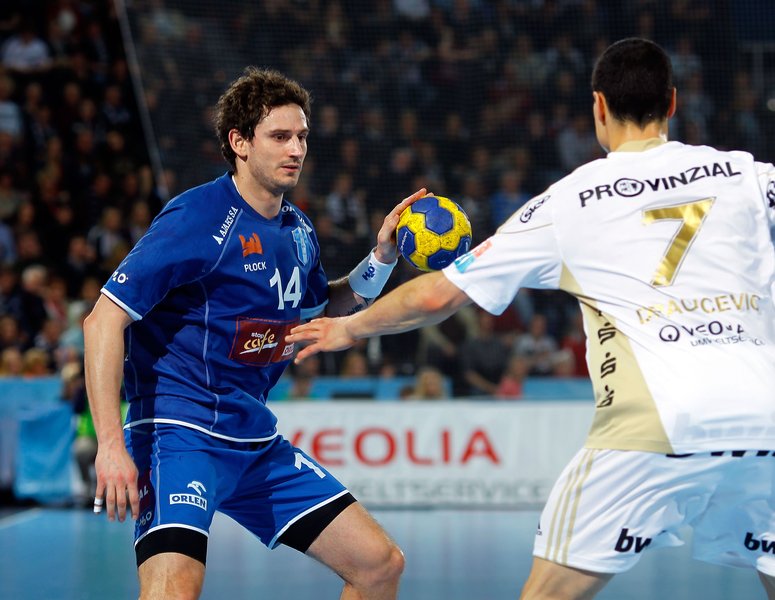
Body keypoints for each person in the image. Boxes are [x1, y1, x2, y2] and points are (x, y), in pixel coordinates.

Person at [288, 38, 775, 599]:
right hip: (764, 415)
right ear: (671, 102)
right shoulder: (746, 175)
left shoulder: (571, 201)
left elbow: (437, 298)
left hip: (657, 423)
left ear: (598, 106)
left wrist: (348, 327)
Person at [83, 67, 423, 600]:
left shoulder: (298, 229)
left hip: (253, 439)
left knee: (379, 566)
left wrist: (381, 258)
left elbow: (320, 309)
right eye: (280, 136)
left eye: (302, 137)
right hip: (179, 431)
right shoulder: (199, 216)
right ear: (239, 143)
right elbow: (103, 319)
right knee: (175, 589)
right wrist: (109, 444)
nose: (296, 150)